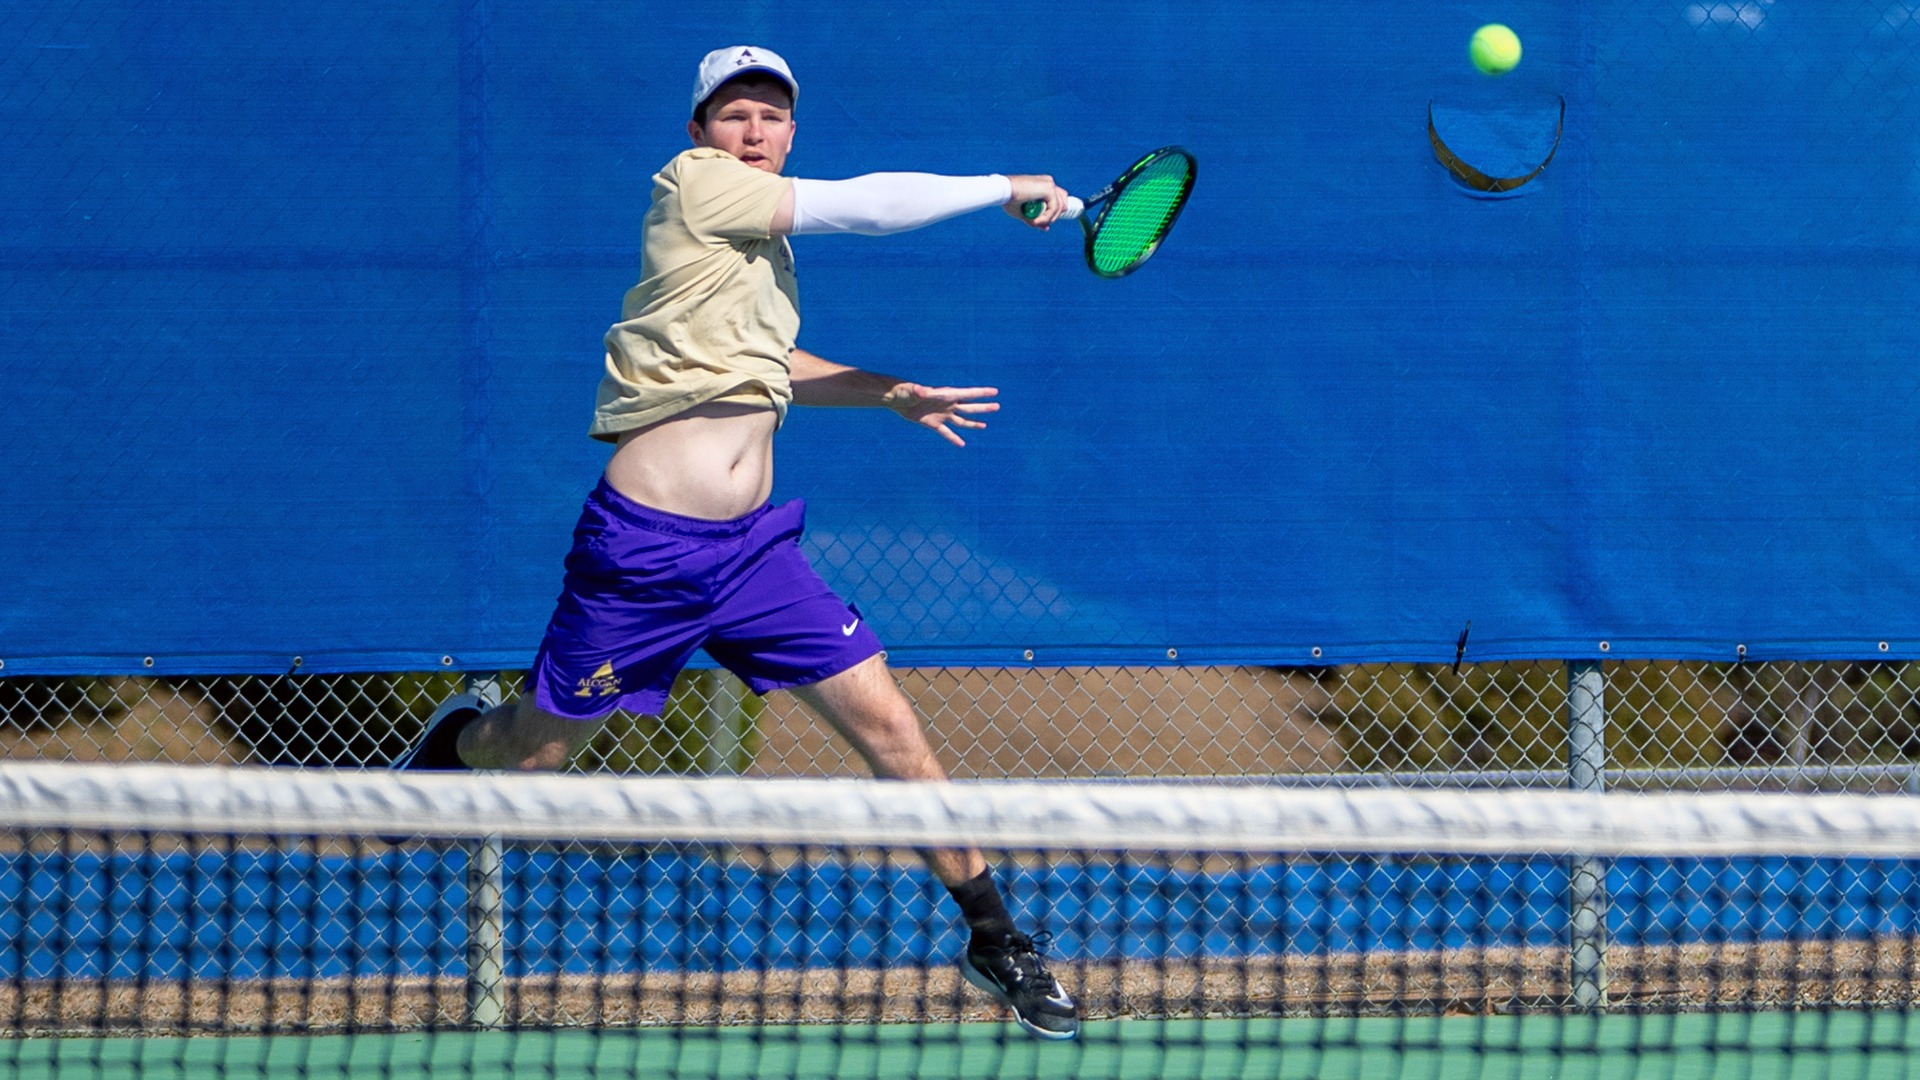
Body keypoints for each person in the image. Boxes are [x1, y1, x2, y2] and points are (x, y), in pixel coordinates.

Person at [393, 45, 1079, 1040]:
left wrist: (886, 390)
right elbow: (868, 206)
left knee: (892, 730)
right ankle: (464, 736)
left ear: (791, 130)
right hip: (644, 554)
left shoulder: (755, 259)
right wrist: (1004, 187)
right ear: (699, 133)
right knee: (530, 758)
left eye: (771, 116)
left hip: (754, 558)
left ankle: (996, 940)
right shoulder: (694, 188)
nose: (753, 131)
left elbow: (772, 360)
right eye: (733, 115)